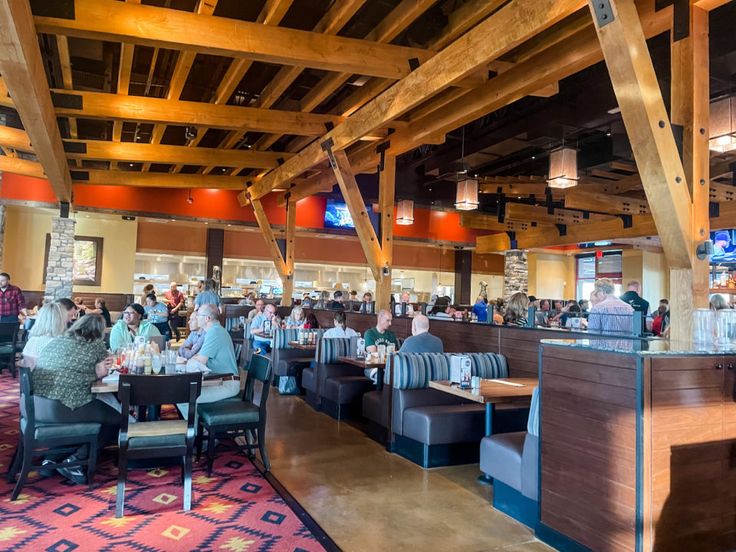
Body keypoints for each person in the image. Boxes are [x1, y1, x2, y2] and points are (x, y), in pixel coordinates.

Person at [32, 314, 119, 484]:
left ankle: (52, 458)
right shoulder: (94, 345)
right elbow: (102, 372)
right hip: (63, 406)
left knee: (99, 414)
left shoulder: (57, 341)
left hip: (36, 404)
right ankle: (75, 461)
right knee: (116, 419)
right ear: (100, 331)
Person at [178, 304, 240, 418]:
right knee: (184, 391)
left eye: (198, 316)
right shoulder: (215, 330)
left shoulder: (214, 332)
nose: (196, 318)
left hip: (226, 384)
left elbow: (200, 361)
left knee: (182, 396)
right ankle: (196, 428)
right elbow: (198, 357)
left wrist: (185, 362)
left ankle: (193, 433)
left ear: (207, 318)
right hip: (218, 380)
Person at [22, 302, 67, 368]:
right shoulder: (64, 343)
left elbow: (28, 365)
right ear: (62, 320)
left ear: (40, 319)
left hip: (36, 376)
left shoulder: (33, 341)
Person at [364, 310, 399, 382]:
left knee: (391, 374)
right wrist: (388, 354)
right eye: (388, 320)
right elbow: (373, 354)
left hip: (388, 367)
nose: (390, 323)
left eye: (391, 321)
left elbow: (394, 355)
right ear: (380, 318)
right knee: (381, 375)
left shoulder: (391, 335)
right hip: (372, 368)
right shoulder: (369, 333)